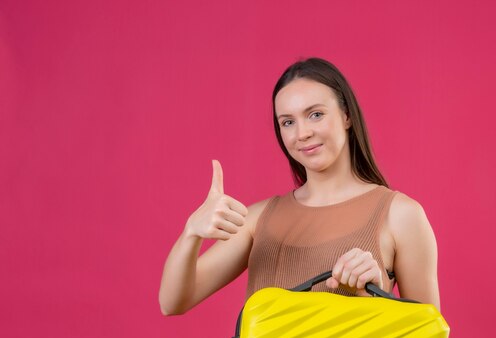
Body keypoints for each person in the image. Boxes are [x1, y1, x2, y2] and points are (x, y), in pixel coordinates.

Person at [159, 57, 441, 315]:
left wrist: (372, 296)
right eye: (288, 122)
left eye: (315, 114)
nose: (302, 133)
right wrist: (192, 233)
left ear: (347, 116)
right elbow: (172, 302)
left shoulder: (402, 215)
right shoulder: (257, 219)